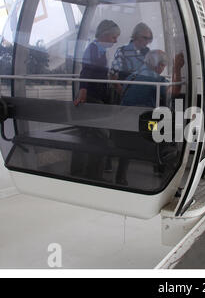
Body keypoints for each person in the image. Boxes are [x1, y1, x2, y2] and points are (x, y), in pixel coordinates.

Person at [114, 50, 184, 186]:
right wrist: (177, 69)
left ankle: (120, 176)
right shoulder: (157, 80)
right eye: (163, 65)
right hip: (142, 130)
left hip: (123, 127)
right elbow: (174, 92)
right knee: (170, 136)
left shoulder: (131, 77)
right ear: (159, 65)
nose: (163, 69)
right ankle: (167, 177)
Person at [71, 20, 120, 181]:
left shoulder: (99, 50)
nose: (115, 41)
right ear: (105, 35)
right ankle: (93, 175)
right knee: (100, 140)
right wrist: (83, 91)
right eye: (114, 37)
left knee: (87, 137)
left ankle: (79, 173)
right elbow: (86, 71)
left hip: (95, 98)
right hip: (91, 98)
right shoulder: (93, 50)